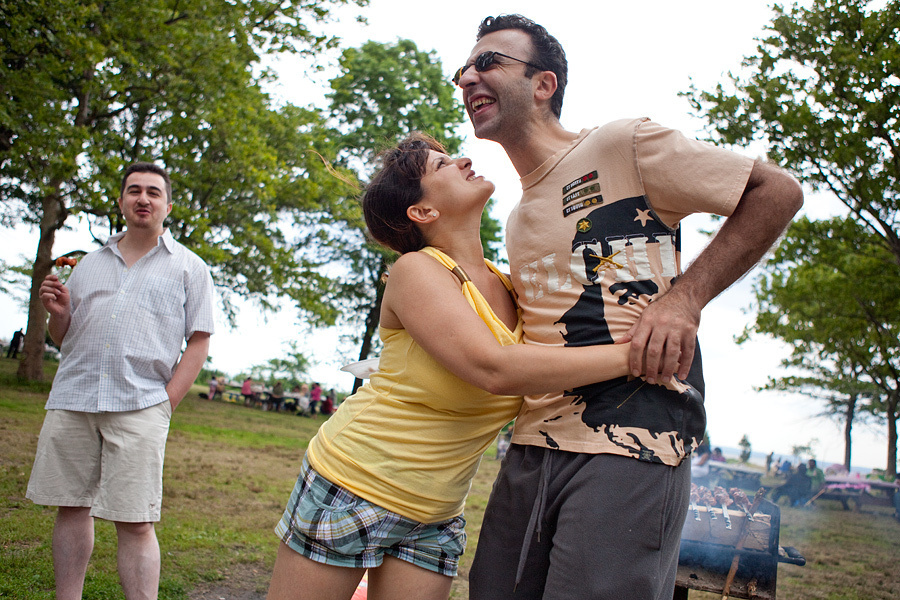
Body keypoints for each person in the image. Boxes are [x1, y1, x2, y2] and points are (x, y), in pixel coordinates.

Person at [454, 14, 804, 599]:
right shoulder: (517, 215)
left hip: (633, 439)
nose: (468, 78)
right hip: (533, 445)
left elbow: (778, 192)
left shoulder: (623, 144)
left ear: (544, 85)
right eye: (463, 70)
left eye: (488, 63)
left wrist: (685, 299)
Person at [266, 133, 689, 600]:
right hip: (355, 482)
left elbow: (552, 353)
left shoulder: (510, 287)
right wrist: (639, 355)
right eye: (442, 164)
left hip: (436, 514)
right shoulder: (416, 271)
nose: (464, 159)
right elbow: (495, 369)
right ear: (423, 212)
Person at [25, 162, 215, 599]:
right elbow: (64, 338)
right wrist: (60, 315)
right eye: (134, 191)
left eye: (153, 192)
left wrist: (166, 402)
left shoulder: (190, 268)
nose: (142, 199)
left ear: (168, 205)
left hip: (141, 404)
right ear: (122, 201)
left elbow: (200, 340)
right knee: (70, 508)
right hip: (73, 397)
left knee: (135, 520)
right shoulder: (89, 264)